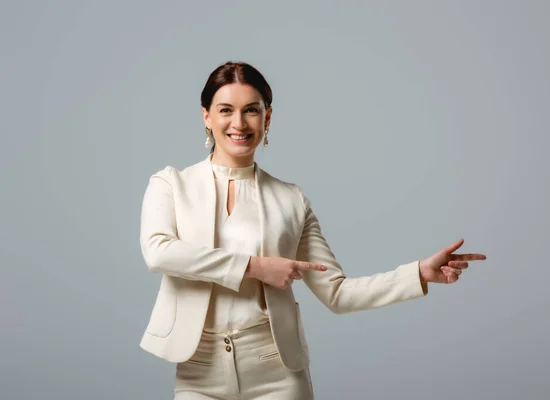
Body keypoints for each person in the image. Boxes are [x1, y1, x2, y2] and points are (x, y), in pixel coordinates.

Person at [138, 61, 487, 400]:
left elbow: (337, 293)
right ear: (207, 116)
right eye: (226, 110)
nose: (239, 123)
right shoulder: (170, 184)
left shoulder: (291, 200)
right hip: (199, 372)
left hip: (276, 373)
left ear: (268, 117)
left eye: (252, 110)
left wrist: (418, 275)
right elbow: (160, 252)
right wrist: (257, 267)